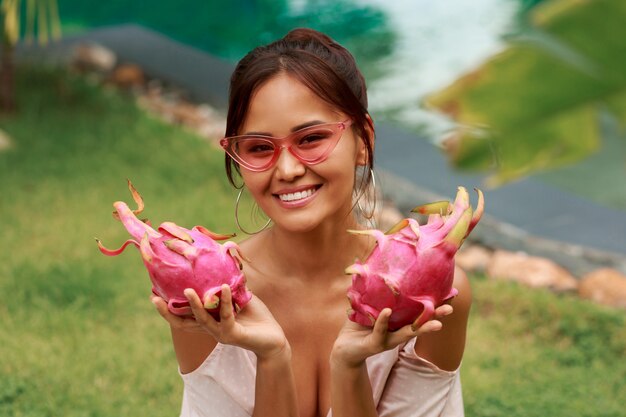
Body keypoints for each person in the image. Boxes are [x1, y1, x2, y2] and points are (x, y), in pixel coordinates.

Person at [151, 28, 472, 417]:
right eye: (258, 147)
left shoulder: (427, 286)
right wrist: (271, 357)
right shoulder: (207, 294)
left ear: (363, 140)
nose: (286, 169)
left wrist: (350, 366)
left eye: (311, 138)